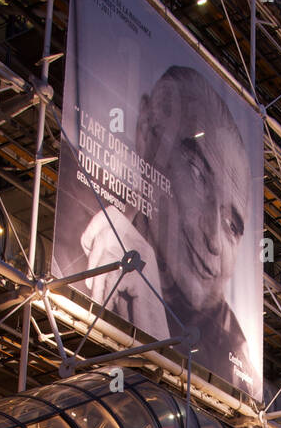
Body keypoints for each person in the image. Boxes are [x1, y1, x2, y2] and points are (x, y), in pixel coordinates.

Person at [80, 65, 258, 392]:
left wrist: (157, 352)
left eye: (233, 225)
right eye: (197, 174)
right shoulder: (70, 230)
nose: (215, 239)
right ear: (147, 132)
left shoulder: (242, 374)